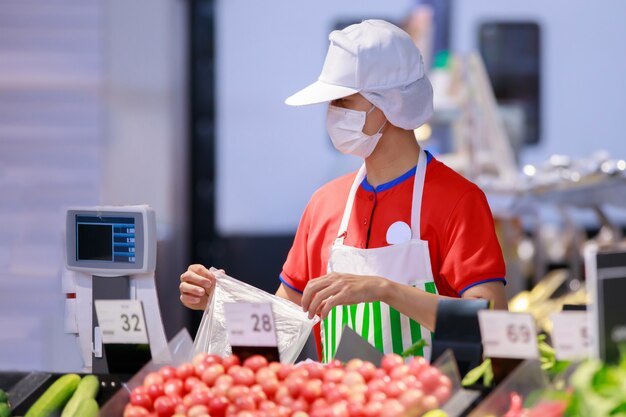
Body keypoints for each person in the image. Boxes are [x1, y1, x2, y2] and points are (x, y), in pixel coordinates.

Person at [179, 19, 507, 362]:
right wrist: (223, 303)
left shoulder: (457, 200)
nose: (332, 114)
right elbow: (282, 328)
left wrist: (383, 290)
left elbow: (491, 323)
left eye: (343, 102)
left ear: (390, 104)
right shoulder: (326, 203)